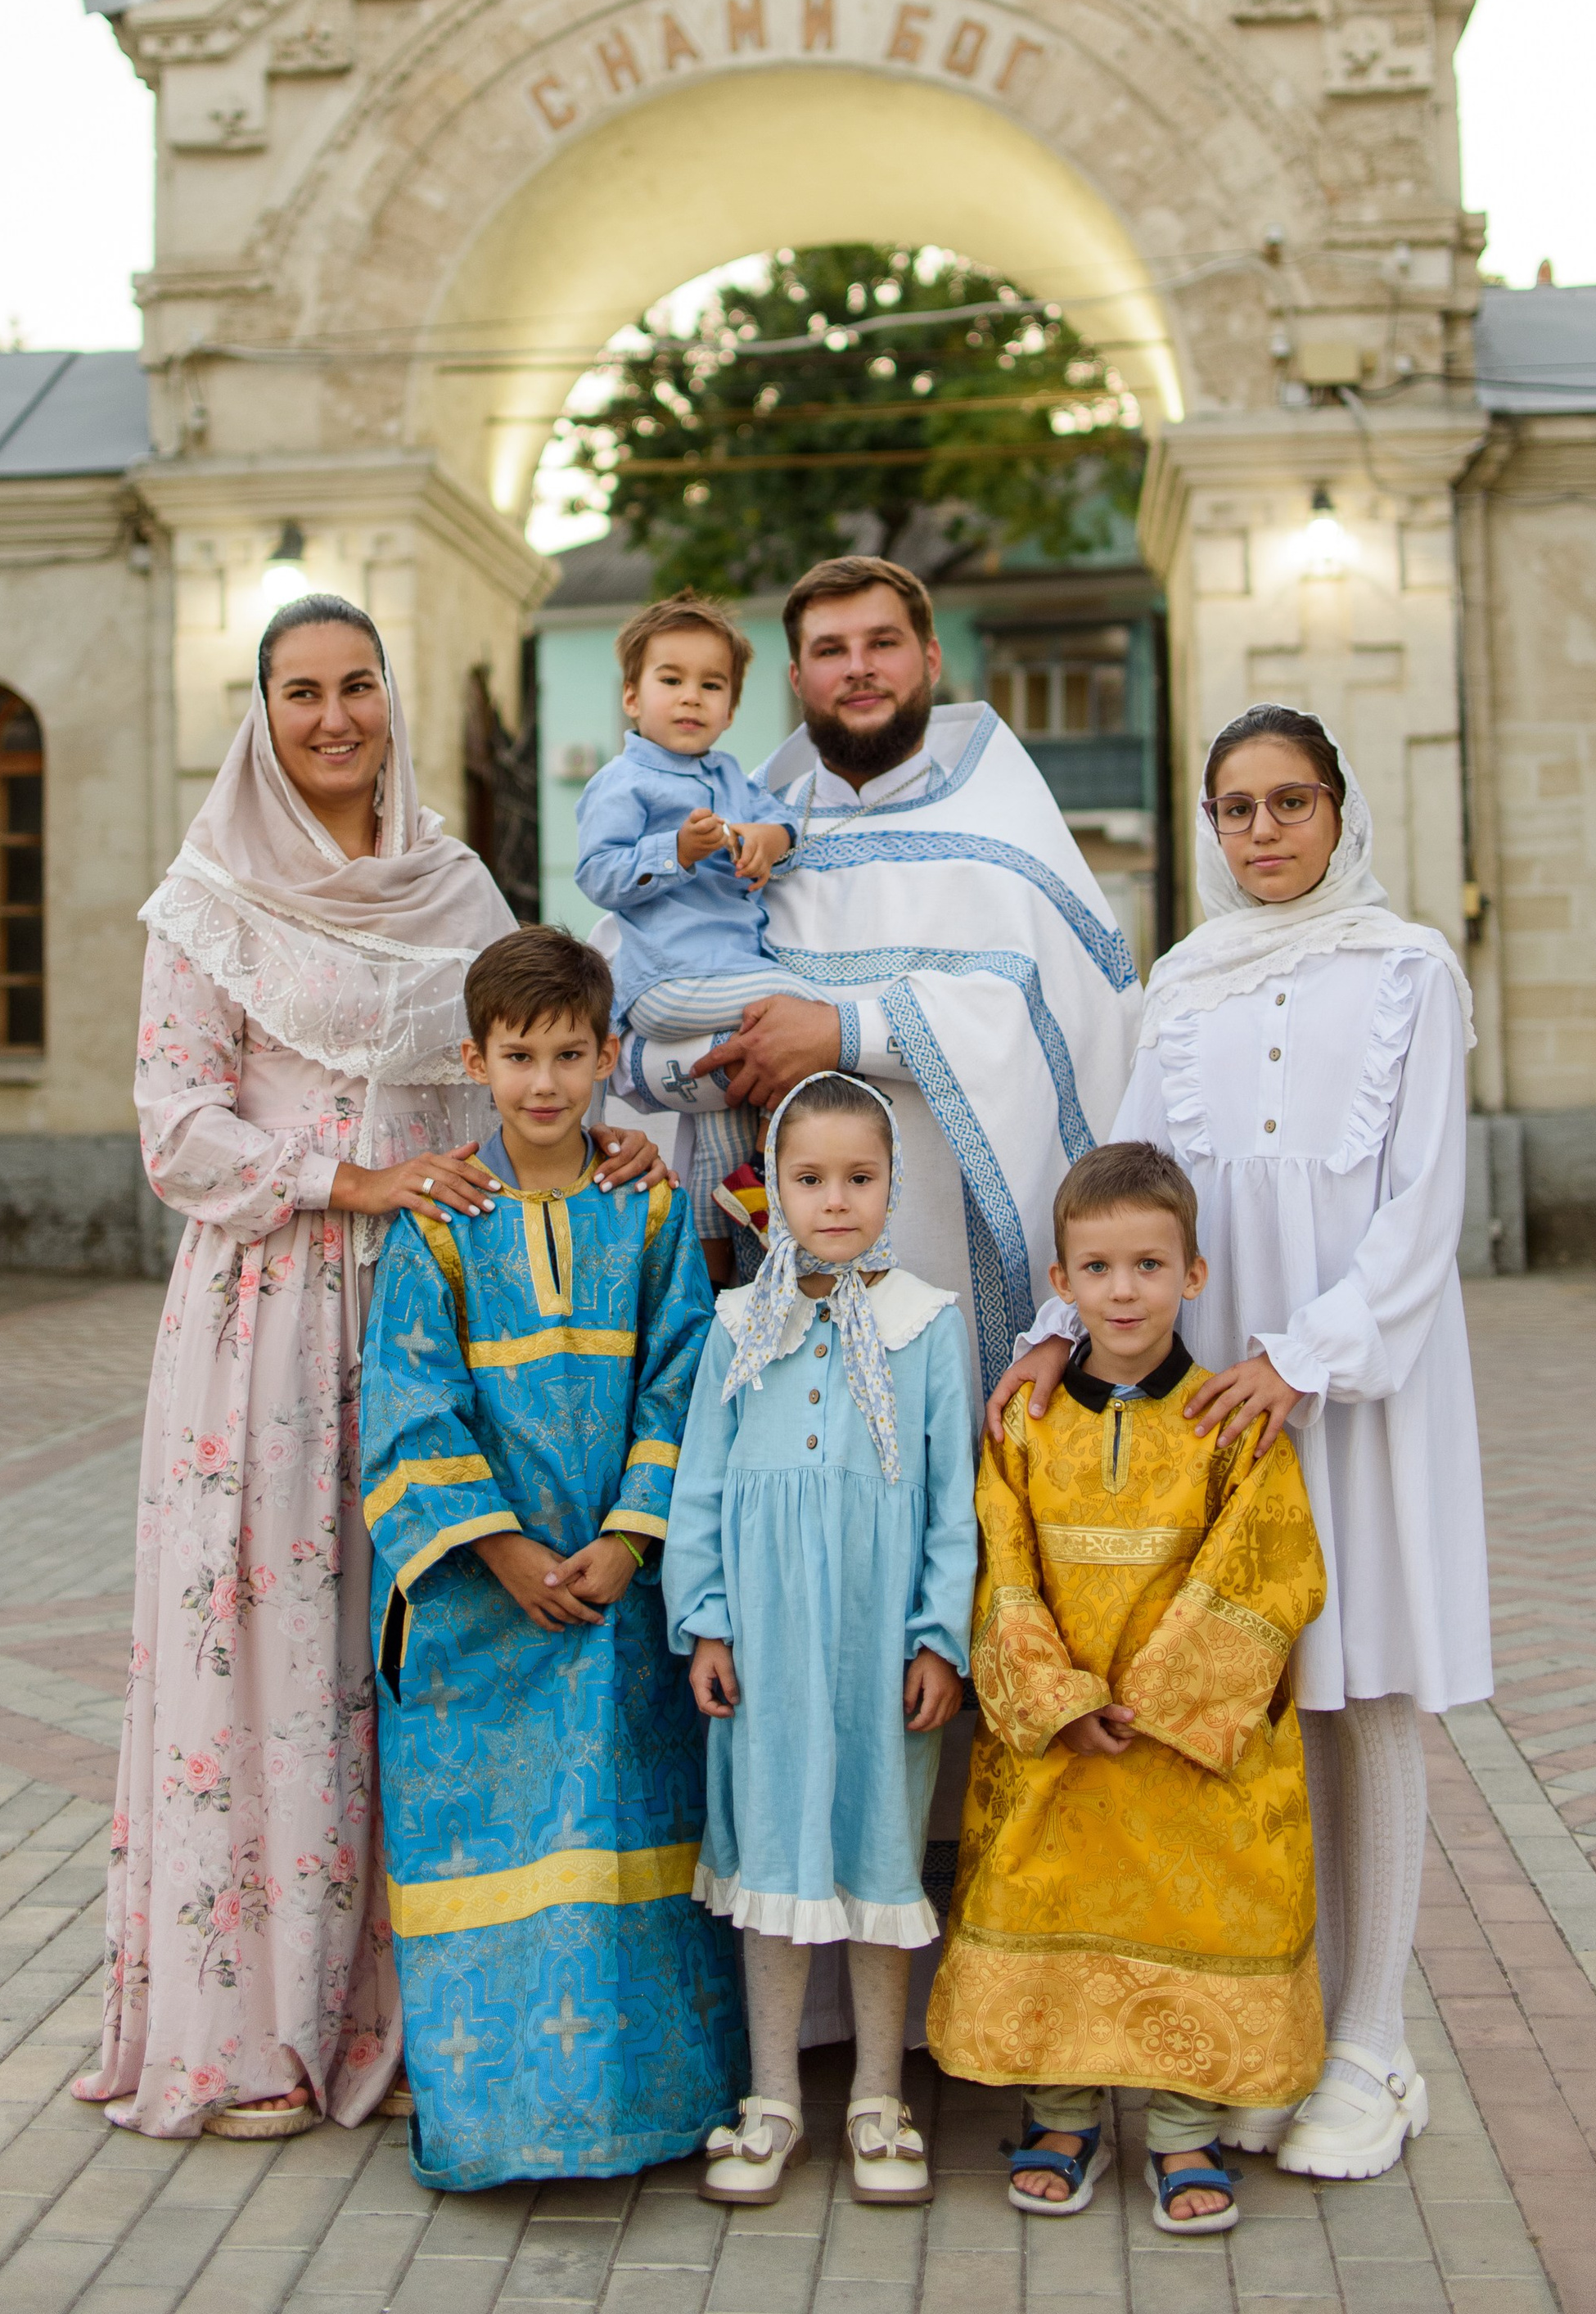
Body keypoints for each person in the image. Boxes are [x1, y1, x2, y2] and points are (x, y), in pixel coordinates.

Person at [75, 597, 665, 2143]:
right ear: (259, 715)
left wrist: (592, 1136)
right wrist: (351, 1186)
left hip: (441, 1317)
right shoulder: (207, 900)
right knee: (275, 1654)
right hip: (272, 1314)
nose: (333, 718)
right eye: (299, 693)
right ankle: (257, 2033)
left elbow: (511, 1049)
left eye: (356, 688)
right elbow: (175, 1123)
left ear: (391, 700)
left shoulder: (455, 881)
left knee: (411, 1642)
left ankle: (418, 2019)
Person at [988, 705, 1489, 2181]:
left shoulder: (1411, 969)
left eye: (1292, 804)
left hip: (1356, 1374)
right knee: (1262, 1698)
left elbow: (1424, 1199)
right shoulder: (1191, 980)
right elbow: (1126, 1174)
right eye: (1238, 809)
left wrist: (1308, 1357)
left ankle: (1376, 2046)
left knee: (1367, 1685)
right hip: (1219, 1390)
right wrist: (1048, 1325)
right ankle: (1283, 2024)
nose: (1264, 833)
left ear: (1342, 812)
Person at [359, 924, 746, 2190]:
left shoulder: (646, 1206)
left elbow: (684, 1381)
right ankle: (495, 2124)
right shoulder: (440, 1224)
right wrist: (510, 1550)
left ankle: (652, 2111)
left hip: (619, 1596)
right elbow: (406, 1406)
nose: (542, 1081)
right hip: (488, 1612)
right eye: (517, 1055)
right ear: (474, 1058)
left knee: (628, 1838)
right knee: (503, 1857)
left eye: (569, 1053)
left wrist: (634, 1543)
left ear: (608, 1056)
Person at [614, 555, 1142, 1401]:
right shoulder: (742, 838)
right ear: (796, 678)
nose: (857, 667)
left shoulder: (1004, 837)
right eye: (830, 650)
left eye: (882, 642)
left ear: (930, 658)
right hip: (782, 1281)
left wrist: (838, 1032)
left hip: (963, 1285)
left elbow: (1063, 1022)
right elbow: (629, 1011)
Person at [929, 1139, 1327, 2239]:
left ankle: (1185, 2124)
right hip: (1062, 1736)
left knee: (1197, 1904)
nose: (1125, 1289)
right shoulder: (1025, 1419)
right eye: (1098, 1267)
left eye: (1149, 1264)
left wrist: (1157, 1701)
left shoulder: (1231, 1418)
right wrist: (1056, 1698)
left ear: (1192, 1274)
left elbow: (1269, 1569)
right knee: (1049, 1891)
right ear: (1061, 1284)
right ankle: (1059, 2115)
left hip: (1187, 1743)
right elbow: (1000, 1564)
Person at [661, 1071, 978, 2210]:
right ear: (775, 1188)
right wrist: (704, 1617)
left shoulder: (927, 1325)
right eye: (810, 1177)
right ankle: (775, 2094)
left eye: (859, 1176)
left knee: (878, 1840)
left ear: (892, 1184)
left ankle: (881, 2096)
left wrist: (940, 1636)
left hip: (876, 1632)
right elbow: (698, 1479)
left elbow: (952, 1504)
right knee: (773, 1855)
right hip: (767, 1635)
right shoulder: (741, 1322)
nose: (834, 1199)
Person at [575, 591, 809, 1280]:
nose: (691, 697)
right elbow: (596, 874)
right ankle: (783, 1139)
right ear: (631, 696)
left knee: (722, 1127)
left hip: (722, 980)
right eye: (670, 679)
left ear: (732, 708)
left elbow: (784, 827)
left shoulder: (731, 776)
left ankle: (710, 1293)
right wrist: (673, 851)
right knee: (808, 1008)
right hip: (667, 982)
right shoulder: (623, 782)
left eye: (711, 685)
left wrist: (770, 836)